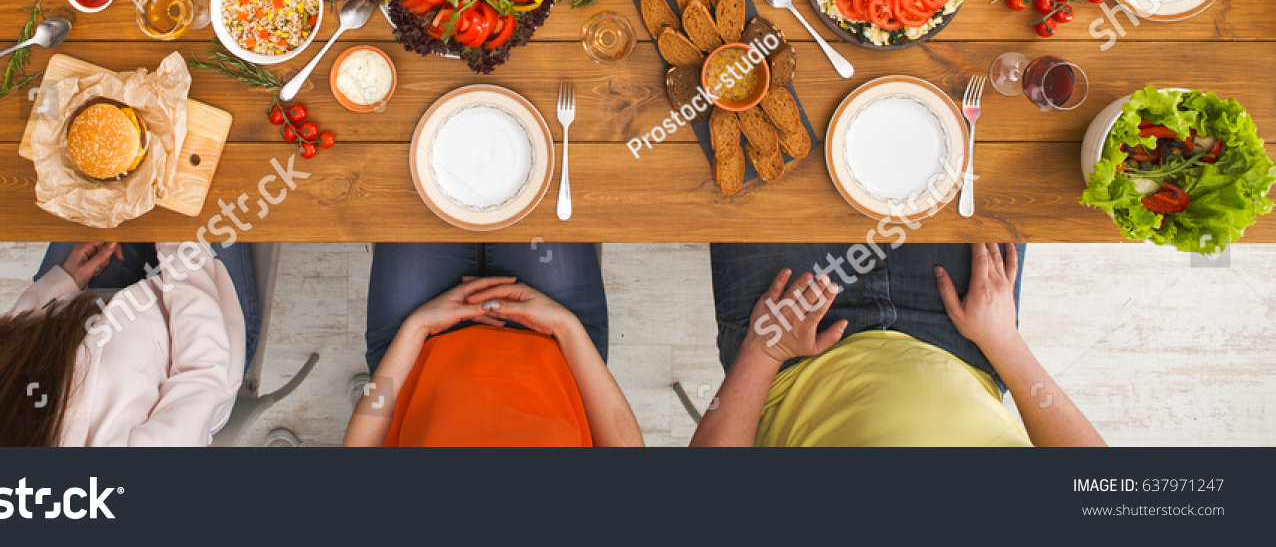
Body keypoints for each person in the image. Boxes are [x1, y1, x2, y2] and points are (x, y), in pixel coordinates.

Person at [691, 242, 1106, 446]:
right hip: (962, 338)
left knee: (755, 111)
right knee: (967, 115)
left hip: (791, 346)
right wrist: (1005, 341)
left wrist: (763, 351)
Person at [0, 240, 260, 446]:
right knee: (206, 173)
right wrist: (181, 247)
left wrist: (59, 285)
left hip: (69, 310)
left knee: (103, 169)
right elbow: (202, 379)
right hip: (202, 331)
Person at [345, 243, 643, 446]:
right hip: (556, 339)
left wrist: (416, 328)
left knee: (411, 179)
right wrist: (566, 326)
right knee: (544, 172)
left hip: (416, 345)